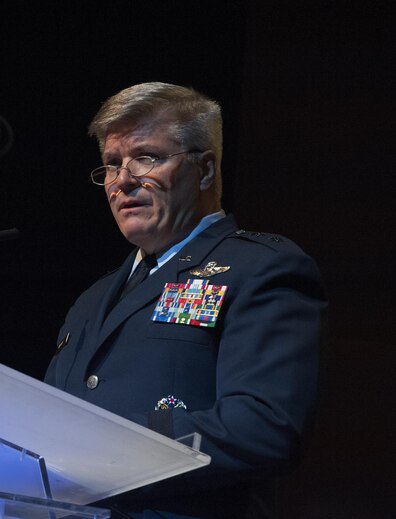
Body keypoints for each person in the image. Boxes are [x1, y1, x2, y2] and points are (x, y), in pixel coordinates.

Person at [44, 82, 326, 518]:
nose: (123, 181)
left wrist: (106, 445)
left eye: (146, 157)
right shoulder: (91, 300)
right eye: (112, 164)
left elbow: (264, 428)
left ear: (206, 170)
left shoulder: (261, 269)